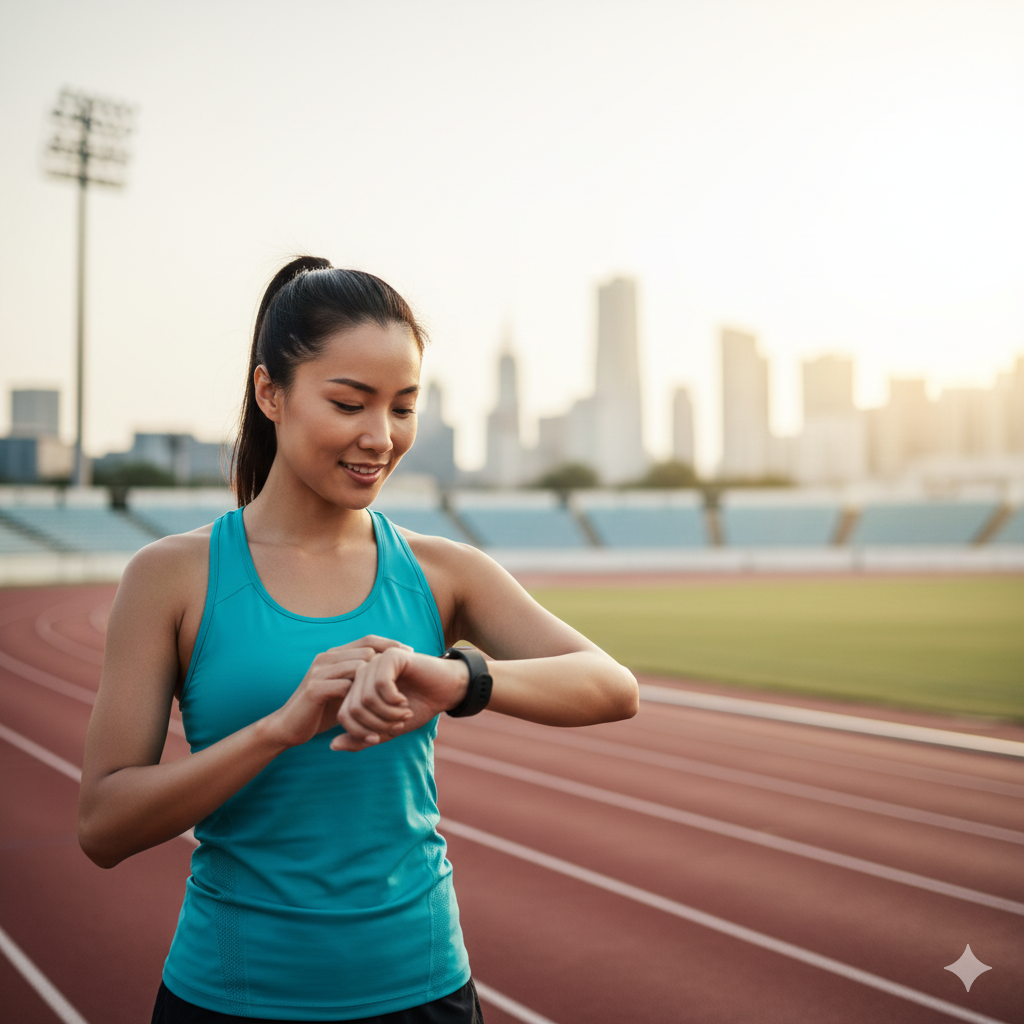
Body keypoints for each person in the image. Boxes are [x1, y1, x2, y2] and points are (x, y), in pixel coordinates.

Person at [78, 256, 639, 1023]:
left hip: (425, 992)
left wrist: (455, 679)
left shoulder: (443, 572)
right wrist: (279, 730)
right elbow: (104, 825)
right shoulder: (171, 577)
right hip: (232, 996)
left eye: (404, 407)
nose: (380, 437)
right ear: (269, 392)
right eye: (350, 403)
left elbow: (612, 686)